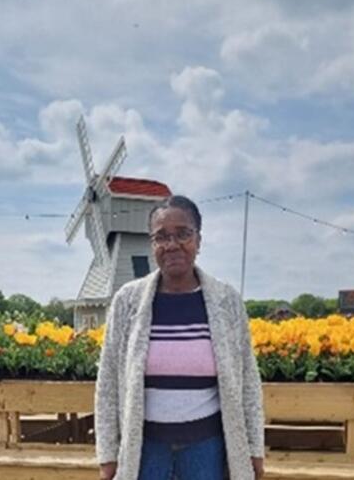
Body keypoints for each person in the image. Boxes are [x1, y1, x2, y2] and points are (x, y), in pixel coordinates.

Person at [95, 195, 264, 480]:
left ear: (198, 240)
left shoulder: (227, 301)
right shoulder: (127, 301)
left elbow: (248, 380)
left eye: (183, 234)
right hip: (145, 450)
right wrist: (107, 456)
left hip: (207, 450)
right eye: (161, 236)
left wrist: (254, 449)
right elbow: (108, 382)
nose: (172, 244)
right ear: (152, 244)